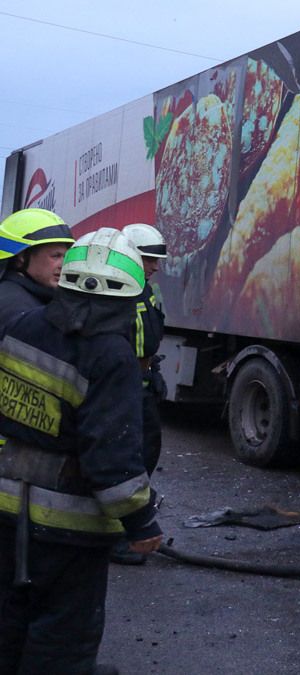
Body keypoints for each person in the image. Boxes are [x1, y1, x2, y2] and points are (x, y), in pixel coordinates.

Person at [0, 227, 162, 674]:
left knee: (10, 620)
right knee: (63, 638)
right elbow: (111, 461)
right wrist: (141, 522)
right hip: (69, 530)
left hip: (6, 511)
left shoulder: (20, 327)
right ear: (131, 295)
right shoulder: (112, 356)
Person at [110, 223, 169, 565]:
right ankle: (117, 535)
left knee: (147, 452)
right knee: (122, 462)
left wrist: (153, 372)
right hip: (120, 390)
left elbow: (148, 337)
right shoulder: (113, 293)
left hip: (142, 387)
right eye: (149, 259)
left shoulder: (149, 291)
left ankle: (130, 524)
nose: (155, 267)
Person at [0, 209, 76, 456]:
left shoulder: (31, 298)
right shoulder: (16, 307)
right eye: (55, 255)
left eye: (67, 255)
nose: (64, 265)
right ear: (21, 258)